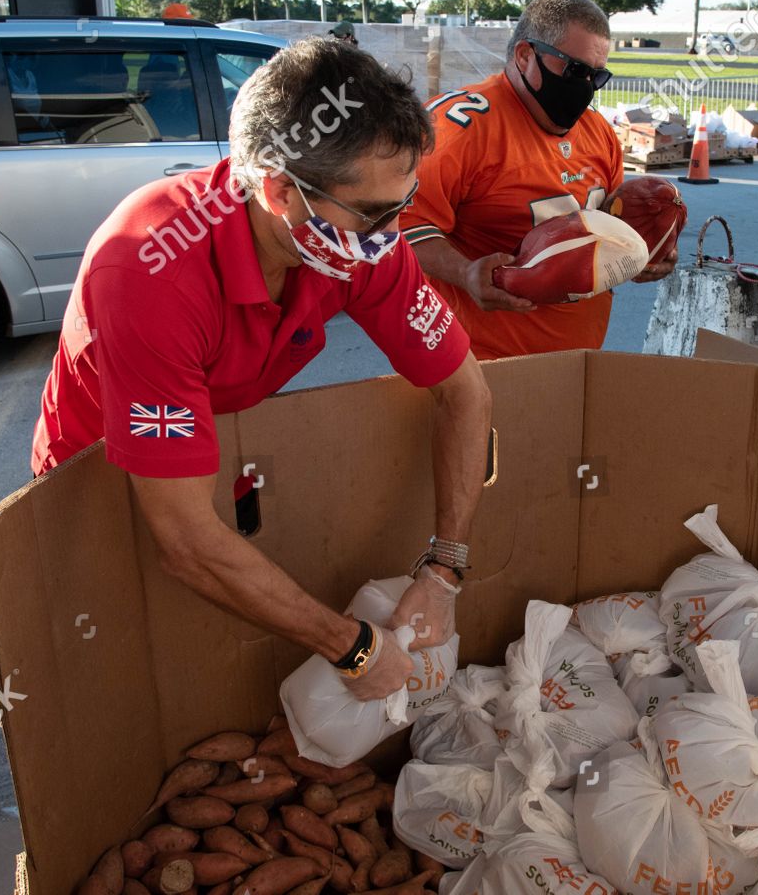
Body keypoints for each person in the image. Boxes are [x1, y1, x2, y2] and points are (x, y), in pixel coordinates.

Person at [31, 37, 491, 700]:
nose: (390, 236)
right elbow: (186, 542)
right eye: (372, 214)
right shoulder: (149, 269)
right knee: (119, 677)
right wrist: (353, 648)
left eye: (403, 207)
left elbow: (466, 394)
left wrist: (445, 569)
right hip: (96, 472)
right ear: (279, 190)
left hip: (206, 436)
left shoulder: (359, 244)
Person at [399, 0, 677, 361]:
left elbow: (610, 227)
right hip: (478, 360)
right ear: (525, 55)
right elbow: (400, 228)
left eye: (597, 75)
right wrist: (465, 272)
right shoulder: (460, 128)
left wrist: (646, 250)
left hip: (579, 357)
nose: (586, 86)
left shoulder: (599, 133)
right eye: (576, 70)